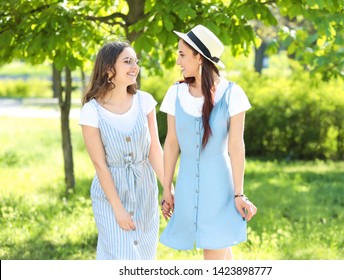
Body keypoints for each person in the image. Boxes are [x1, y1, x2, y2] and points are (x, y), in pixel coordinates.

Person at [159, 25, 257, 260]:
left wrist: (238, 193)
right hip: (186, 186)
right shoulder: (175, 93)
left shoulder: (233, 94)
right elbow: (171, 144)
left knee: (213, 256)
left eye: (182, 54)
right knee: (222, 257)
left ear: (200, 58)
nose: (178, 61)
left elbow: (236, 146)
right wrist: (167, 188)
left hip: (220, 189)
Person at [79, 41, 163, 260]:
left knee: (144, 257)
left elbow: (155, 150)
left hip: (145, 189)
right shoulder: (91, 111)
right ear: (109, 69)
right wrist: (117, 208)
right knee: (120, 256)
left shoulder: (145, 102)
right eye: (127, 61)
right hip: (110, 195)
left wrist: (169, 188)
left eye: (136, 61)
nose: (135, 66)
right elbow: (99, 164)